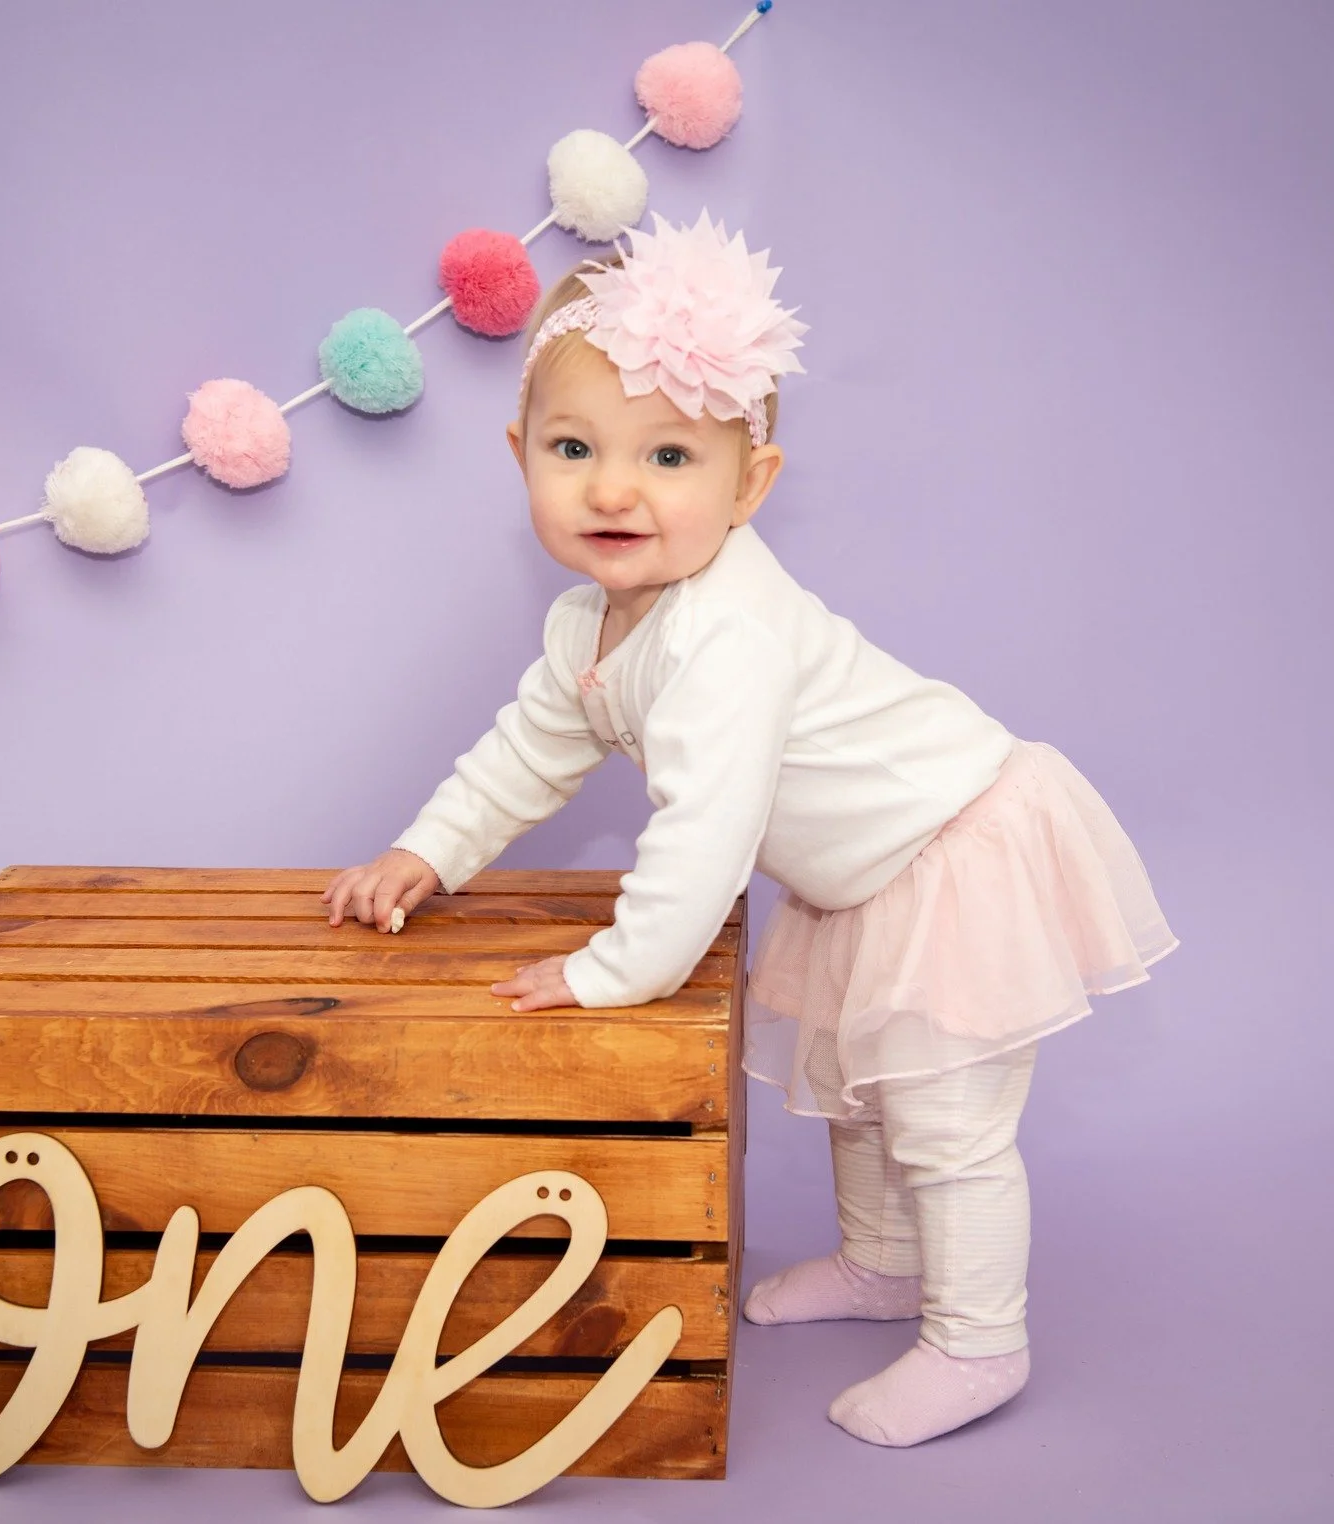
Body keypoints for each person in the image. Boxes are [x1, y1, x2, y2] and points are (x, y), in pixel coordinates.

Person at [321, 209, 1177, 1447]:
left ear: (749, 486)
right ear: (520, 458)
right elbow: (523, 754)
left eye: (669, 456)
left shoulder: (724, 633)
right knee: (859, 1098)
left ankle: (978, 1341)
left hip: (953, 851)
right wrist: (426, 850)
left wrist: (613, 970)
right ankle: (883, 1266)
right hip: (863, 880)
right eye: (573, 447)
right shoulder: (589, 627)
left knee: (943, 1126)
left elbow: (703, 833)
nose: (612, 488)